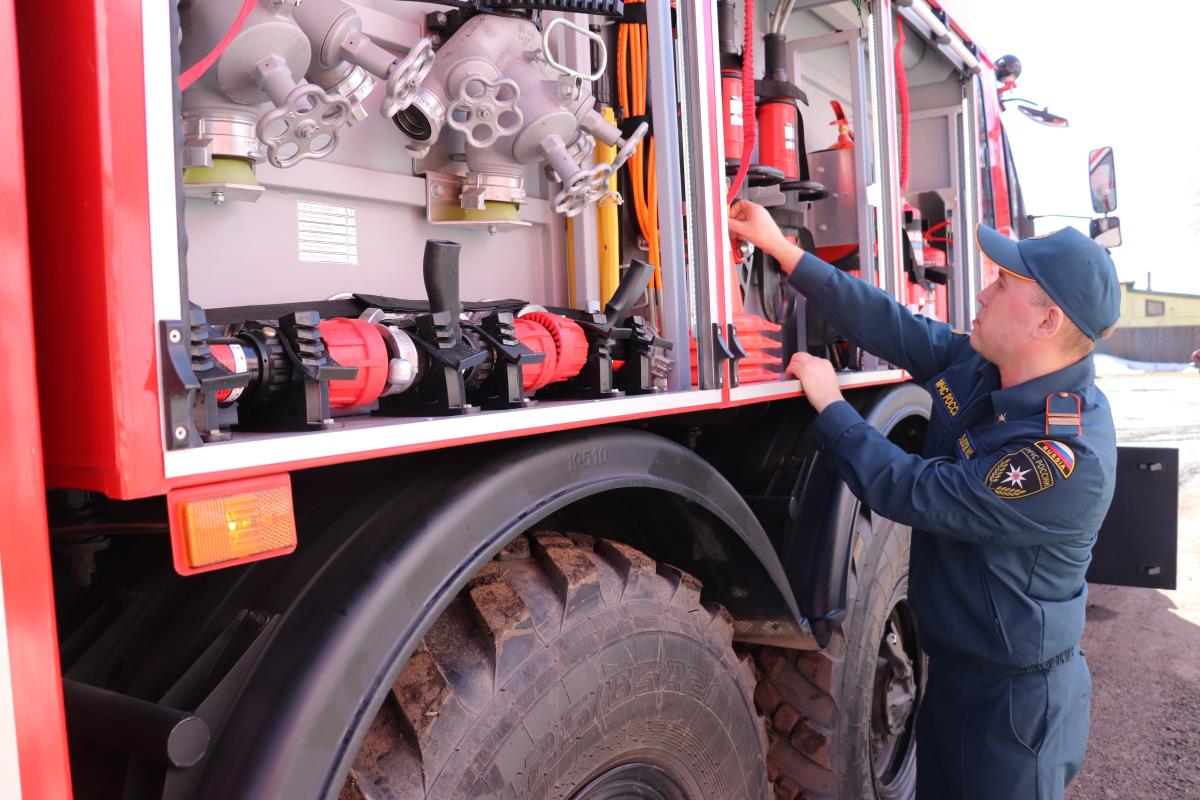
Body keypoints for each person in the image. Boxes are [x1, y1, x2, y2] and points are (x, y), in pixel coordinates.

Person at [728, 199, 1120, 800]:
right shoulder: (988, 369)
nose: (984, 292)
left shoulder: (1062, 458)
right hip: (959, 677)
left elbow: (915, 491)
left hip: (1013, 711)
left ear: (1046, 323)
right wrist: (785, 252)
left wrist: (831, 406)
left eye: (1004, 282)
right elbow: (895, 325)